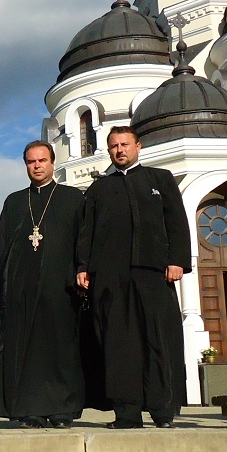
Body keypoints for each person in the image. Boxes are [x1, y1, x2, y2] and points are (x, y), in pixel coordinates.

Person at [76, 126, 192, 428]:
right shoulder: (99, 189)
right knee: (118, 345)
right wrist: (83, 266)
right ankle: (126, 413)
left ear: (138, 146)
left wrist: (177, 260)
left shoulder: (159, 179)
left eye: (124, 144)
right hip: (110, 277)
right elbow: (87, 231)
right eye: (114, 146)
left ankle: (162, 411)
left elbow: (176, 222)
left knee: (157, 339)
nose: (119, 150)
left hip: (153, 274)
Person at [0, 140, 86, 428]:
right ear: (26, 165)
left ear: (53, 162)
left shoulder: (72, 198)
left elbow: (83, 239)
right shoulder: (15, 202)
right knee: (27, 351)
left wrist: (82, 269)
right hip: (21, 290)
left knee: (60, 349)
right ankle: (30, 409)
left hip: (61, 288)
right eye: (31, 162)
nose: (37, 166)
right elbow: (2, 247)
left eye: (42, 160)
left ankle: (61, 410)